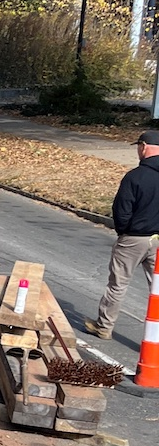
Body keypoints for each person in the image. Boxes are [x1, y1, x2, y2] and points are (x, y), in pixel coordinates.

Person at [84, 130, 159, 340]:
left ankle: (104, 326)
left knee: (118, 284)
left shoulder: (135, 177)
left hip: (134, 238)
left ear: (143, 147)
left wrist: (124, 231)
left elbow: (122, 210)